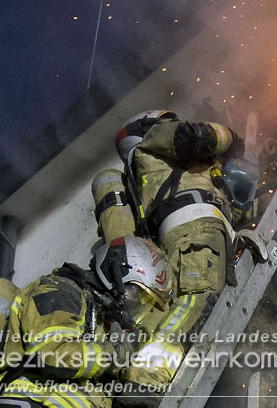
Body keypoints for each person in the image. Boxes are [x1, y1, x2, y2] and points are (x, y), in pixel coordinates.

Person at [104, 109, 264, 386]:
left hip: (183, 234)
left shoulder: (149, 175)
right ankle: (148, 376)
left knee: (175, 310)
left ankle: (143, 374)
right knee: (196, 298)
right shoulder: (156, 135)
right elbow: (196, 135)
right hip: (199, 227)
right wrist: (233, 140)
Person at [0, 235, 172, 408]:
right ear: (116, 271)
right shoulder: (61, 291)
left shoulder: (102, 321)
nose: (137, 302)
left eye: (145, 302)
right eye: (137, 292)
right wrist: (115, 353)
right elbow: (53, 354)